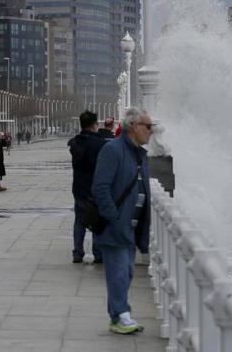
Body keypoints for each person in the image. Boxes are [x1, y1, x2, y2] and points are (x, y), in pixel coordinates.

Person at [92, 107, 153, 334]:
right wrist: (115, 219)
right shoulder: (113, 150)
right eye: (147, 126)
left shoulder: (140, 154)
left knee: (125, 272)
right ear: (132, 127)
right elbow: (100, 187)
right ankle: (121, 316)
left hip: (132, 227)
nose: (151, 131)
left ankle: (117, 315)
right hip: (115, 226)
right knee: (119, 273)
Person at [67, 111, 107, 264]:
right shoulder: (99, 143)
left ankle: (78, 252)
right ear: (93, 125)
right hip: (94, 188)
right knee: (96, 220)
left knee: (79, 221)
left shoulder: (75, 143)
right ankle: (98, 253)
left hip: (78, 187)